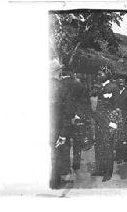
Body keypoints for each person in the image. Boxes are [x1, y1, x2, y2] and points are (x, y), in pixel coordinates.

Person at [49, 61, 76, 189]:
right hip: (57, 128)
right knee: (55, 156)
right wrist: (64, 133)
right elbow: (68, 112)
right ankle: (54, 184)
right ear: (58, 71)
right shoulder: (62, 88)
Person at [92, 76, 123, 182]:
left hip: (107, 121)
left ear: (107, 73)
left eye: (101, 72)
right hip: (99, 121)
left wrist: (113, 123)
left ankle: (108, 172)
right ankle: (100, 169)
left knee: (108, 147)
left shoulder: (113, 87)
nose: (99, 75)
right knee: (99, 146)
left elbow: (116, 106)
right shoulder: (102, 86)